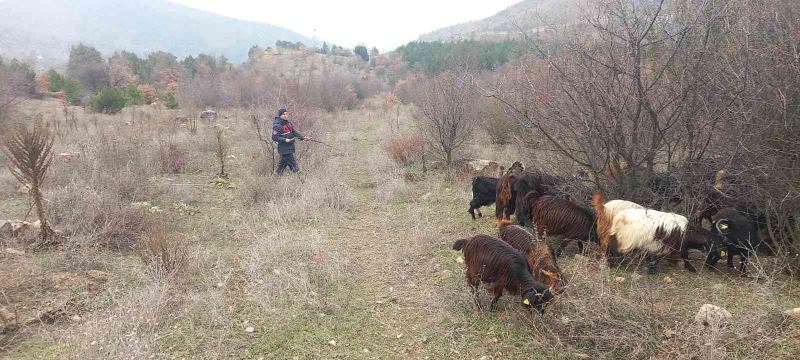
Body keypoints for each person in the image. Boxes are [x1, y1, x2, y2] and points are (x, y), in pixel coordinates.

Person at [271, 108, 311, 175]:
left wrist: (303, 137)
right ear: (280, 115)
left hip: (289, 148)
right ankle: (302, 180)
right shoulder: (277, 125)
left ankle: (275, 179)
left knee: (281, 168)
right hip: (284, 149)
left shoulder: (288, 123)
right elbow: (274, 137)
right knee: (294, 167)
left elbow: (294, 132)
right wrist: (285, 140)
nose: (285, 115)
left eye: (286, 114)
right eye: (284, 114)